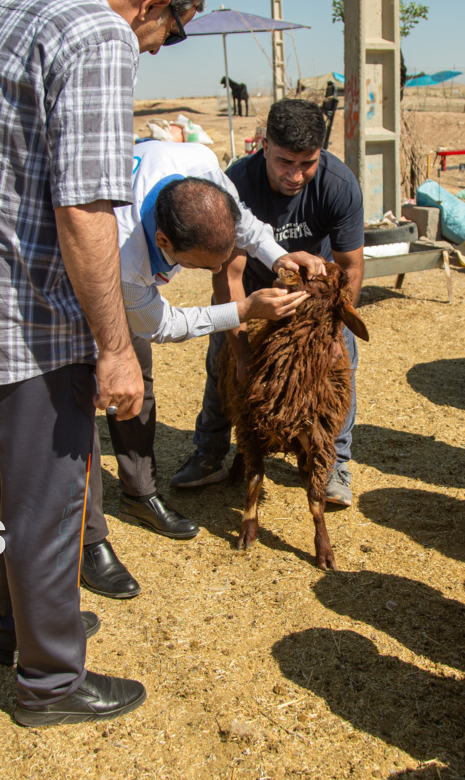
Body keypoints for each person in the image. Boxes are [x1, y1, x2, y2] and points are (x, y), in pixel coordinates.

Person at [0, 0, 204, 729]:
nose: (159, 50)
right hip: (28, 315)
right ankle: (50, 681)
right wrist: (115, 348)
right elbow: (84, 207)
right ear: (155, 6)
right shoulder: (100, 35)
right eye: (169, 37)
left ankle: (21, 630)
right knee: (45, 500)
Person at [84, 140, 322, 593]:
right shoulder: (125, 255)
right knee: (95, 389)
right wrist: (243, 310)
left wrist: (278, 257)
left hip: (147, 256)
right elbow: (162, 324)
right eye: (203, 266)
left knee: (140, 388)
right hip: (77, 281)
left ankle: (139, 492)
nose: (217, 271)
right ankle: (86, 535)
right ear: (163, 242)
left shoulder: (201, 165)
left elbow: (245, 224)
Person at [171, 99, 365, 506]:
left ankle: (335, 461)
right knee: (223, 357)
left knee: (340, 362)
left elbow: (350, 266)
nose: (295, 175)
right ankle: (210, 452)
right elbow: (230, 275)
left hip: (315, 301)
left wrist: (333, 329)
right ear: (264, 145)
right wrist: (241, 349)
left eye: (307, 163)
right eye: (284, 162)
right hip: (254, 290)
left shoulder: (338, 184)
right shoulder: (236, 183)